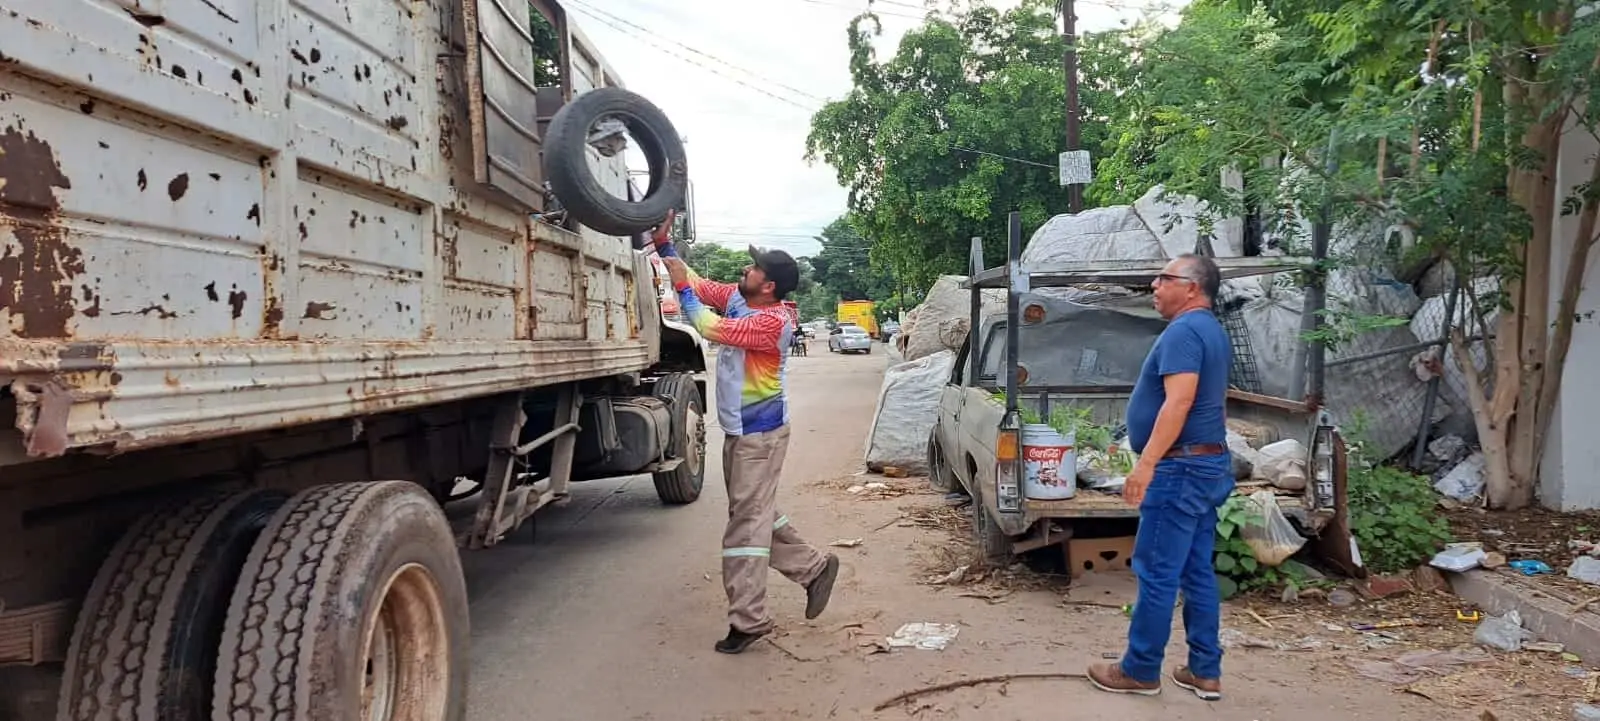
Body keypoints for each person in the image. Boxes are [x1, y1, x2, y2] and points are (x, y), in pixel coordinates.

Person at [652, 225, 841, 655]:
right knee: (753, 513)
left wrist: (683, 289)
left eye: (754, 267)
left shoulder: (772, 323)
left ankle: (748, 619)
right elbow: (699, 284)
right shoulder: (742, 296)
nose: (746, 268)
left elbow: (706, 324)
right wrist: (664, 245)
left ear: (768, 285)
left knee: (744, 528)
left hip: (761, 436)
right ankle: (813, 569)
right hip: (742, 432)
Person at [1087, 253, 1234, 701]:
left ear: (1191, 287)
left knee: (1156, 570)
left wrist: (1147, 463)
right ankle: (1204, 671)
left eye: (1163, 278)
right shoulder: (1211, 330)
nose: (1154, 285)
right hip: (1205, 465)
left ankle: (1140, 669)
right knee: (1195, 570)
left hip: (1180, 468)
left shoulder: (1185, 331)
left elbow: (1179, 402)